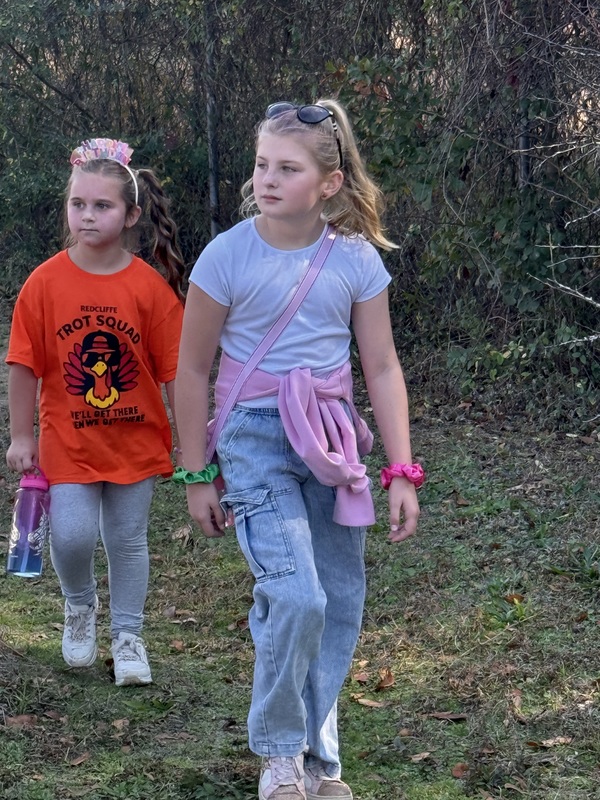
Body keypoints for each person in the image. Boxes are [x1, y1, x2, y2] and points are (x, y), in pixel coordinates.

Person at [174, 101, 422, 800]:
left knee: (338, 601)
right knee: (296, 595)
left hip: (333, 443)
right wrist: (197, 472)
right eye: (262, 165)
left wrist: (401, 471)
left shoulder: (355, 260)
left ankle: (319, 756)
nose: (269, 179)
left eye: (289, 168)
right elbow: (192, 370)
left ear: (330, 182)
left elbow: (381, 368)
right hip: (253, 440)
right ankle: (282, 755)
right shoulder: (226, 255)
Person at [5, 138, 185, 687]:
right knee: (73, 537)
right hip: (68, 443)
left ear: (131, 215)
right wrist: (20, 435)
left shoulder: (149, 288)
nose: (87, 215)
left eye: (101, 206)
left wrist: (189, 437)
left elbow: (177, 370)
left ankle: (129, 635)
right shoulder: (44, 283)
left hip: (136, 441)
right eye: (78, 204)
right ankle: (80, 605)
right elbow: (22, 364)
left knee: (128, 540)